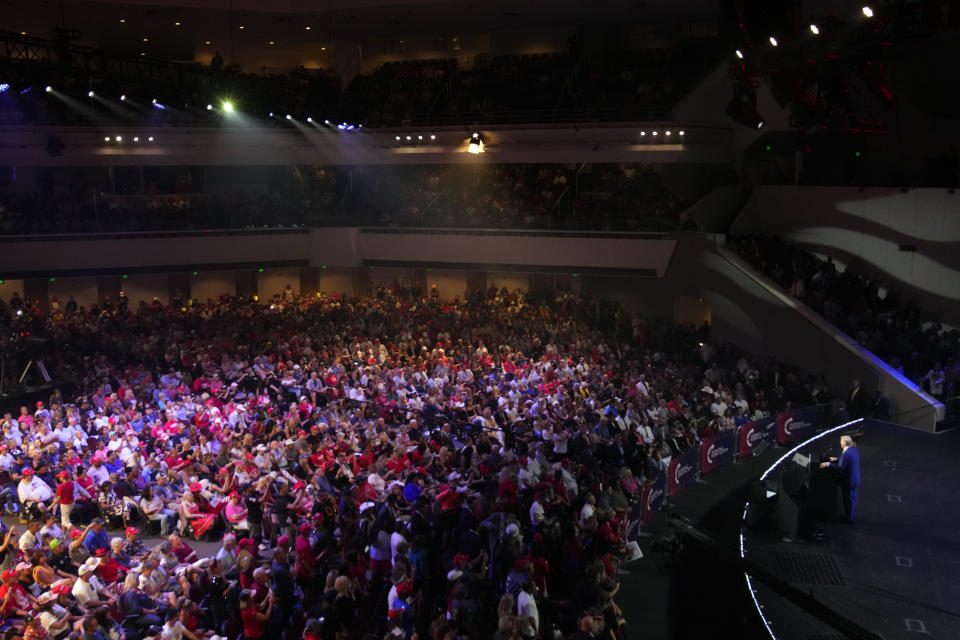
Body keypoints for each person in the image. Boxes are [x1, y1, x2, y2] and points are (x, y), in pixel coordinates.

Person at [820, 435, 861, 522]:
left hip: (849, 480)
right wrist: (838, 459)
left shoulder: (846, 454)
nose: (840, 443)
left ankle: (849, 519)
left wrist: (828, 464)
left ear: (845, 443)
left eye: (841, 441)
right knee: (852, 499)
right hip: (855, 478)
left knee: (848, 500)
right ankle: (850, 516)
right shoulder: (854, 449)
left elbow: (840, 468)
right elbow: (848, 460)